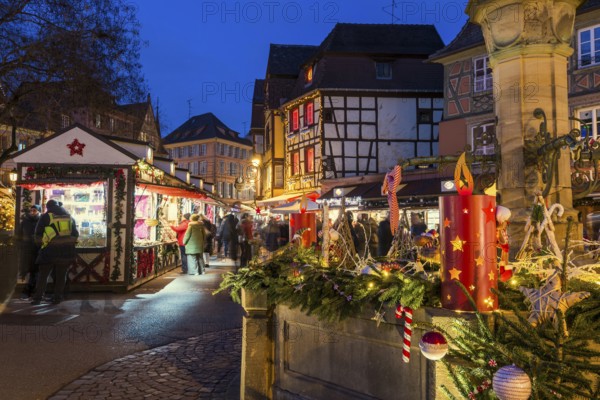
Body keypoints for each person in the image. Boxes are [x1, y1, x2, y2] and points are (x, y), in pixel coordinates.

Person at [31, 199, 79, 305]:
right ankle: (57, 298)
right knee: (61, 276)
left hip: (49, 251)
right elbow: (75, 234)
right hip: (66, 252)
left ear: (48, 207)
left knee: (43, 276)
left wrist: (41, 247)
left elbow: (38, 235)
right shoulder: (69, 217)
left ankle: (38, 298)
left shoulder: (45, 217)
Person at [19, 204, 41, 298]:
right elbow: (19, 234)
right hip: (27, 249)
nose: (32, 212)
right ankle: (29, 289)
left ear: (39, 211)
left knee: (35, 270)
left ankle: (30, 290)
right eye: (31, 210)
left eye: (35, 210)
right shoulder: (25, 221)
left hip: (37, 249)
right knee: (28, 269)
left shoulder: (41, 221)